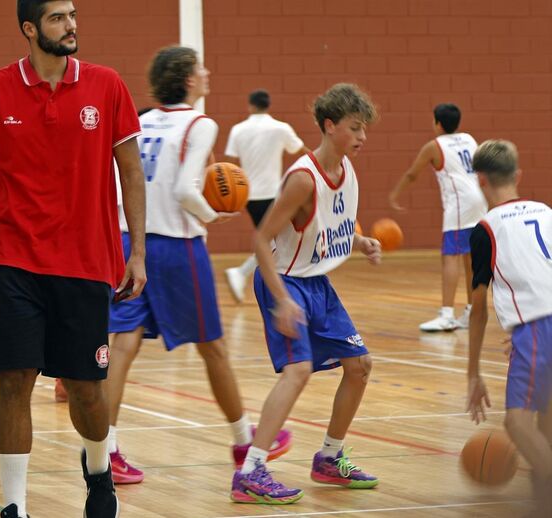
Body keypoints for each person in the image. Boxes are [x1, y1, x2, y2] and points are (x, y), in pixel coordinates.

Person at [0, 2, 146, 516]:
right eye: (58, 17)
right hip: (15, 257)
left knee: (87, 390)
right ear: (29, 28)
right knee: (14, 381)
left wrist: (139, 252)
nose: (71, 25)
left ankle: (98, 470)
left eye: (72, 15)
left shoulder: (107, 85)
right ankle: (14, 506)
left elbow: (131, 172)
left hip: (86, 259)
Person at [105, 47, 292, 486]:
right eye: (201, 68)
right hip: (176, 248)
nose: (208, 73)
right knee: (212, 346)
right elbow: (188, 190)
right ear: (189, 79)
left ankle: (105, 448)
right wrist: (214, 214)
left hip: (128, 240)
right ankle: (243, 438)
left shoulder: (140, 119)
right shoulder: (200, 124)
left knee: (123, 343)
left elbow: (119, 185)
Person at [231, 84, 382, 504]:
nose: (362, 137)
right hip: (286, 281)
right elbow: (261, 241)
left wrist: (361, 240)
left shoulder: (347, 170)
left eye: (364, 129)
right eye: (355, 128)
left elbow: (332, 226)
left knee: (360, 365)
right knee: (297, 371)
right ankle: (251, 471)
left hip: (318, 283)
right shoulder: (302, 179)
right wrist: (281, 298)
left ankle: (329, 458)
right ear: (329, 126)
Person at [465, 140, 552, 515]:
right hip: (535, 329)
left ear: (480, 180)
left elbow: (478, 308)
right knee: (546, 416)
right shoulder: (546, 212)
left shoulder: (485, 228)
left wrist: (473, 374)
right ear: (518, 175)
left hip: (538, 327)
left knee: (517, 421)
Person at [388, 104, 487, 332]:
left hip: (461, 203)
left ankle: (446, 314)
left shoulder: (434, 146)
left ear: (438, 124)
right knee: (471, 256)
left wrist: (395, 195)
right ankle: (472, 310)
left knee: (450, 257)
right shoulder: (470, 139)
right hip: (479, 198)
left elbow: (413, 173)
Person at [223, 90, 311, 303]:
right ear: (268, 106)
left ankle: (263, 282)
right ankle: (241, 274)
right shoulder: (281, 128)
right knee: (274, 244)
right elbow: (303, 153)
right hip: (273, 194)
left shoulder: (238, 130)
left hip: (248, 196)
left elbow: (229, 166)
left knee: (274, 243)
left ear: (250, 106)